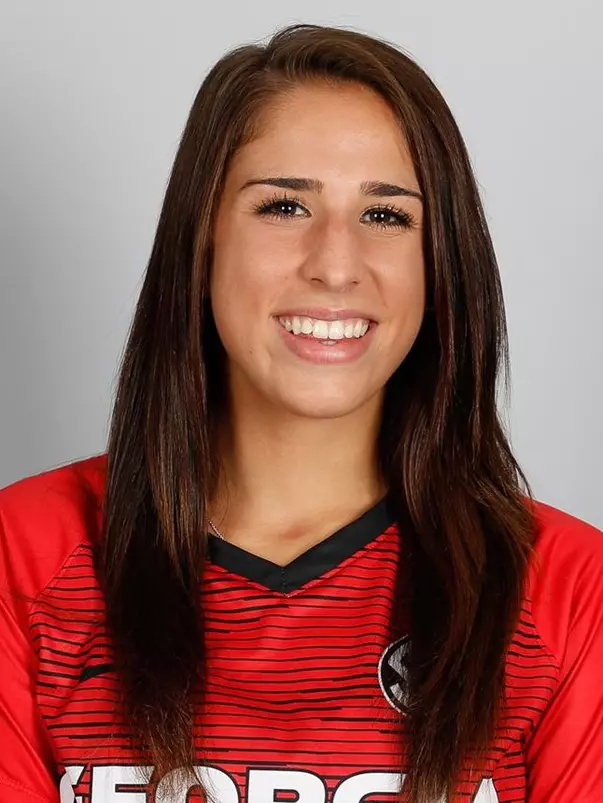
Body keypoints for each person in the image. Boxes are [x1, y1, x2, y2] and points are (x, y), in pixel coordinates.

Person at [0, 22, 602, 803]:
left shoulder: (564, 587)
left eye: (385, 215)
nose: (335, 265)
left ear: (440, 263)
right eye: (283, 205)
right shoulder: (26, 554)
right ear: (201, 240)